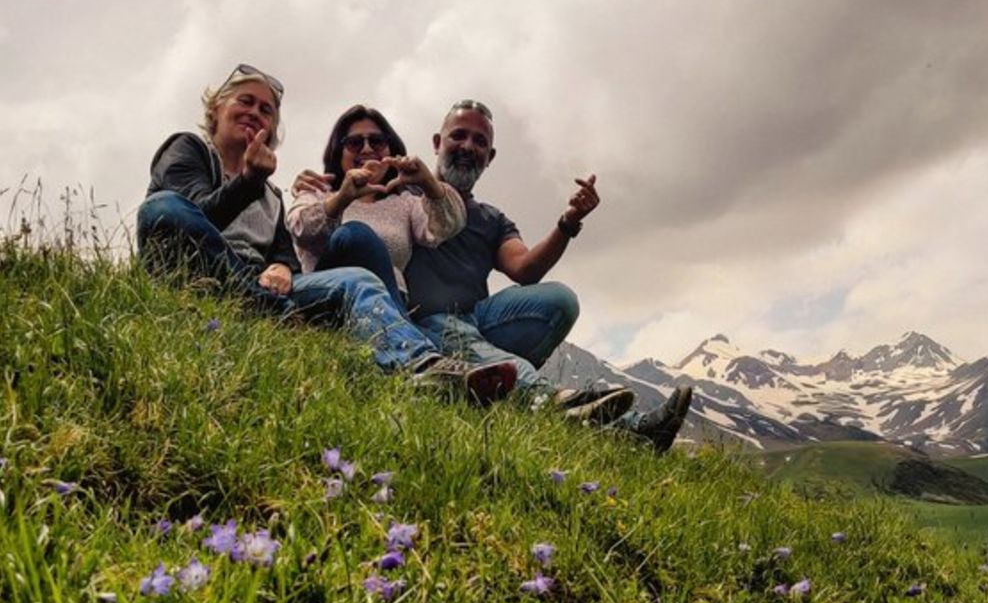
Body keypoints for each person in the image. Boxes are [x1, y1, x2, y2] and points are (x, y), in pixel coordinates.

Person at [300, 98, 692, 450]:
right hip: (424, 320)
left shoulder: (488, 218)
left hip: (476, 319)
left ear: (491, 155)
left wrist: (568, 222)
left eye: (479, 141)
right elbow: (337, 217)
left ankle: (494, 380)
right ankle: (611, 420)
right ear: (437, 142)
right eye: (459, 136)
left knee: (558, 301)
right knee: (472, 342)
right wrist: (327, 187)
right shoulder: (402, 195)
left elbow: (525, 269)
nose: (468, 147)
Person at [136, 64, 516, 404]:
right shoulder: (191, 149)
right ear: (216, 109)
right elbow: (190, 219)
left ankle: (425, 367)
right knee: (162, 207)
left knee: (358, 279)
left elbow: (284, 252)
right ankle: (268, 309)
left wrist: (281, 268)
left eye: (265, 110)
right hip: (202, 276)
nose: (255, 112)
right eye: (245, 102)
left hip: (261, 291)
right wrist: (252, 181)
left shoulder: (271, 194)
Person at [287, 104, 465, 314]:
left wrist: (429, 183)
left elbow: (447, 226)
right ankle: (408, 341)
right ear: (338, 151)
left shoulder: (404, 203)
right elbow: (300, 230)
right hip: (328, 299)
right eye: (354, 143)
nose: (367, 149)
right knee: (356, 235)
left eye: (377, 142)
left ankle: (400, 336)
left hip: (390, 301)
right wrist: (341, 199)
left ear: (391, 149)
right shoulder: (316, 192)